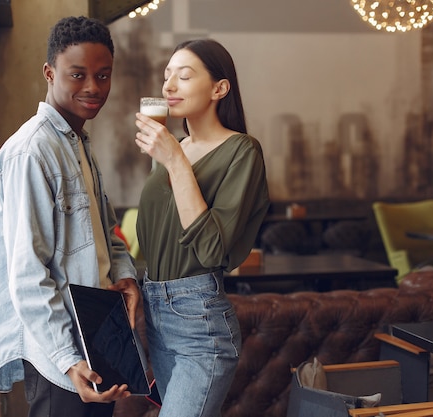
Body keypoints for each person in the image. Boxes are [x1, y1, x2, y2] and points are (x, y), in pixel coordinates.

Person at [0, 16, 140, 417]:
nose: (93, 87)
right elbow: (27, 274)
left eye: (103, 75)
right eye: (78, 74)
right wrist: (69, 360)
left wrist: (125, 275)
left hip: (96, 341)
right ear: (50, 74)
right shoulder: (31, 152)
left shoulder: (78, 143)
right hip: (63, 359)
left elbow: (107, 231)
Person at [134, 39, 270, 417]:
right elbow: (154, 238)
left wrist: (175, 161)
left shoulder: (242, 151)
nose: (169, 85)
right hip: (155, 311)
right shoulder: (171, 149)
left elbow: (212, 250)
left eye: (184, 75)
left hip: (199, 318)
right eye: (167, 76)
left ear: (219, 89)